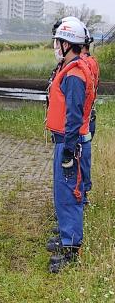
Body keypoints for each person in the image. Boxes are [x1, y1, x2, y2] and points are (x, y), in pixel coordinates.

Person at [45, 20, 96, 273]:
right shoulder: (71, 69)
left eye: (58, 42)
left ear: (67, 44)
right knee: (63, 194)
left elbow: (74, 116)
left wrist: (69, 150)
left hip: (69, 143)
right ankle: (67, 237)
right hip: (65, 141)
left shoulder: (74, 75)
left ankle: (71, 250)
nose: (55, 46)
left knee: (70, 195)